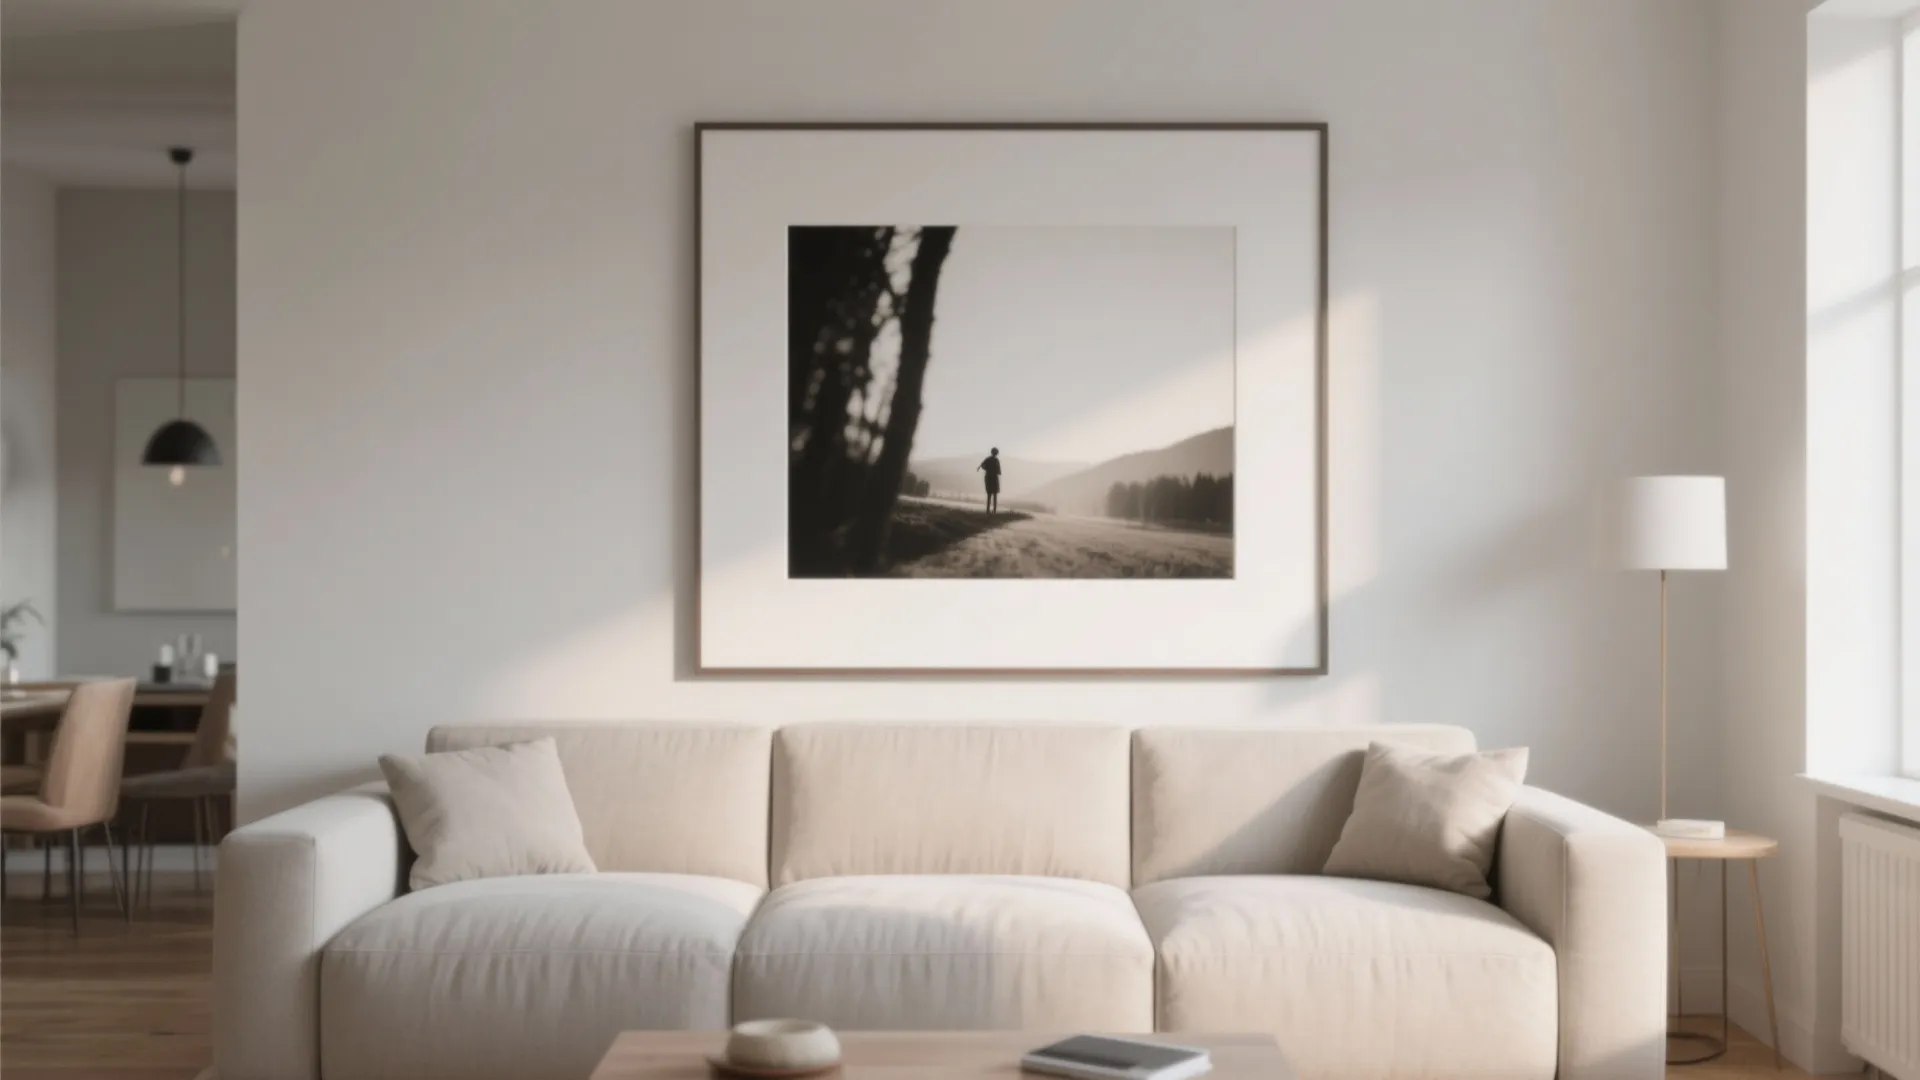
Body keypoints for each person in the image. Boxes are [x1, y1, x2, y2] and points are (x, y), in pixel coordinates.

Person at [977, 447, 1002, 514]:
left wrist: (988, 469)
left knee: (989, 495)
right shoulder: (996, 460)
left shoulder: (988, 459)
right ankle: (994, 511)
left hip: (988, 478)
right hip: (993, 478)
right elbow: (999, 472)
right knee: (994, 495)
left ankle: (988, 510)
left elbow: (982, 466)